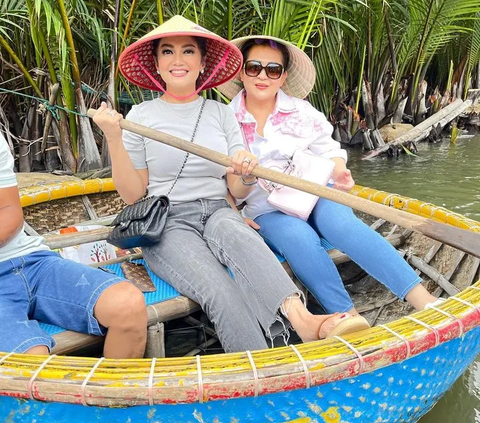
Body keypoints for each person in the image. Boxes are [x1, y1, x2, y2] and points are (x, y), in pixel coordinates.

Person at [91, 15, 369, 353]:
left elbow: (237, 190)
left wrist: (247, 172)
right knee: (221, 290)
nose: (178, 60)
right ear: (157, 65)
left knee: (244, 240)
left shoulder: (221, 114)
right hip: (167, 223)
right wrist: (114, 138)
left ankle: (304, 321)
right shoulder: (140, 117)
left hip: (219, 211)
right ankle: (258, 369)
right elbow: (133, 194)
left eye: (188, 51)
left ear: (202, 62)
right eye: (167, 52)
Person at [218, 36, 439, 315]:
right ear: (241, 71)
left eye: (272, 70)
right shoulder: (224, 120)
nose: (263, 76)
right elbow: (219, 180)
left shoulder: (301, 111)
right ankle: (348, 317)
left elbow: (331, 151)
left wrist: (340, 170)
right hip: (266, 208)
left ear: (283, 77)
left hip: (317, 192)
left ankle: (423, 300)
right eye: (254, 67)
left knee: (341, 226)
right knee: (299, 239)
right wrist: (234, 215)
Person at [0, 133, 148, 357]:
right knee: (31, 359)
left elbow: (10, 211)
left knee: (128, 304)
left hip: (31, 261)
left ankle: (108, 391)